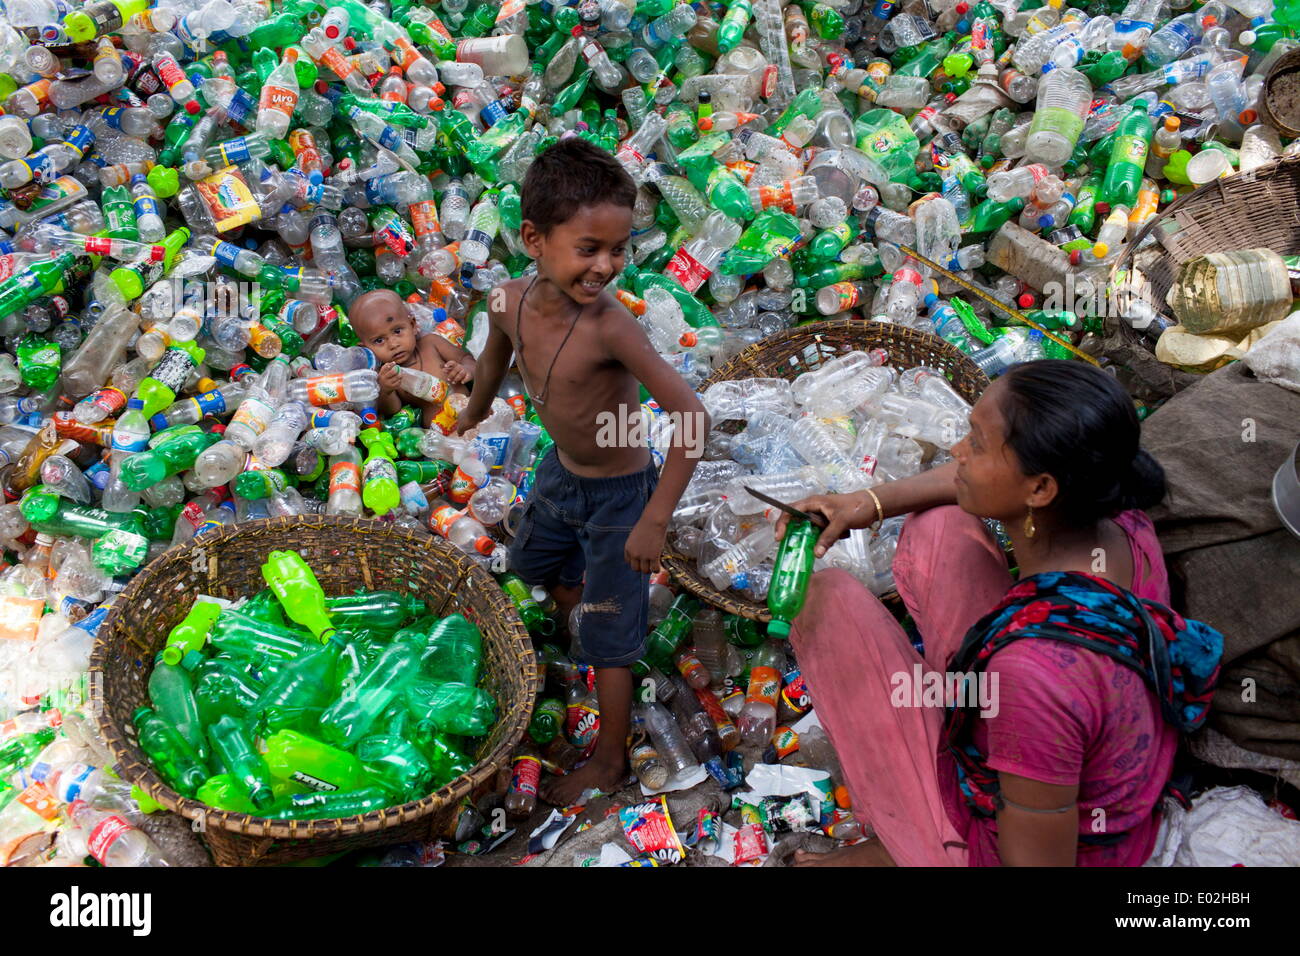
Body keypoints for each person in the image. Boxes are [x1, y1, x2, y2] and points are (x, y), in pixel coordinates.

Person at [775, 360, 1221, 866]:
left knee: (825, 600)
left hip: (1032, 842)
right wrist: (868, 501)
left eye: (977, 444)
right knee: (940, 525)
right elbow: (960, 481)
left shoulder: (1034, 674)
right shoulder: (1120, 521)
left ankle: (915, 844)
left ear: (1040, 490)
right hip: (1058, 755)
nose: (958, 452)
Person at [456, 136, 709, 806]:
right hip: (560, 474)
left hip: (622, 496)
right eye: (589, 249)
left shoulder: (610, 328)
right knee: (531, 567)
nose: (607, 266)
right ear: (533, 238)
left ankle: (608, 760)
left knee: (608, 636)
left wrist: (654, 519)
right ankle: (576, 603)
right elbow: (494, 358)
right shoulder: (506, 301)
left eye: (619, 249)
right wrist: (470, 413)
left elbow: (691, 417)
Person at [350, 288, 476, 427]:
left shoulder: (431, 344)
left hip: (474, 408)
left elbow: (468, 359)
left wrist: (466, 370)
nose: (393, 344)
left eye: (397, 331)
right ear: (367, 349)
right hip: (444, 430)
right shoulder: (386, 374)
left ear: (413, 325)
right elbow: (392, 410)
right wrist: (385, 390)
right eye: (379, 340)